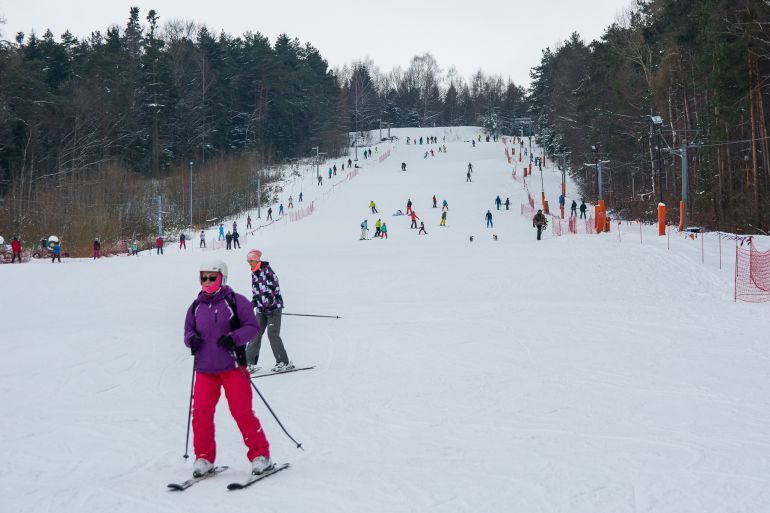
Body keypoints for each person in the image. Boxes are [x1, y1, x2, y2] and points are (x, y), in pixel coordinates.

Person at [184, 259, 273, 478]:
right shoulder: (196, 306)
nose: (207, 281)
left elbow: (253, 327)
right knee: (201, 414)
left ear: (222, 277)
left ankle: (261, 456)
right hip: (205, 370)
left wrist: (234, 338)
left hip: (233, 367)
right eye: (203, 277)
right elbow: (187, 332)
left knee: (242, 412)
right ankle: (203, 457)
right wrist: (191, 340)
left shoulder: (236, 301)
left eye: (211, 277)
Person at [245, 249, 293, 373]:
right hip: (262, 310)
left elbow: (273, 290)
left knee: (272, 334)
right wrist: (253, 303)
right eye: (248, 262)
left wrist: (270, 305)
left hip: (273, 309)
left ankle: (283, 362)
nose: (249, 264)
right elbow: (257, 292)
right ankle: (248, 363)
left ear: (256, 260)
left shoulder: (268, 272)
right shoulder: (254, 273)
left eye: (250, 261)